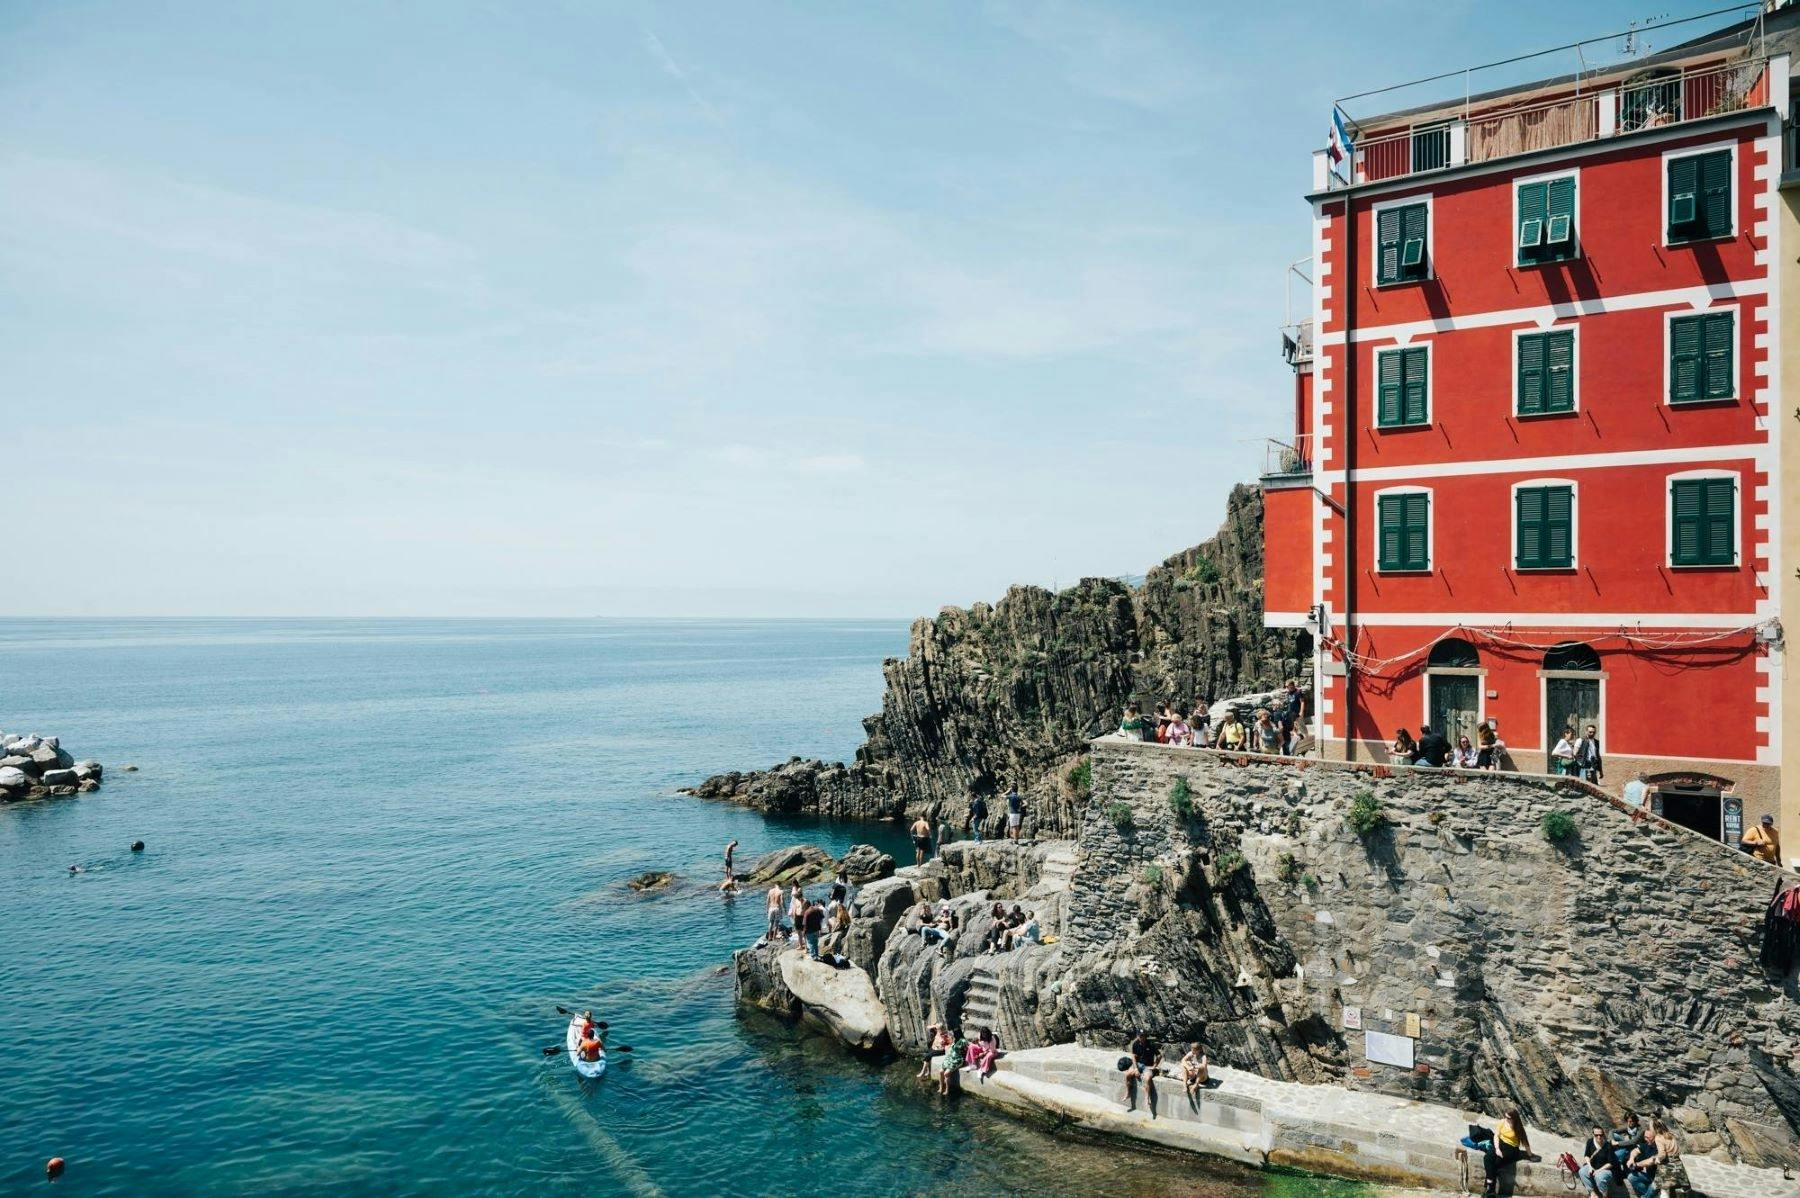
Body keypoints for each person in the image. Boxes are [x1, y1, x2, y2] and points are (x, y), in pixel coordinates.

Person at [1481, 1108, 1532, 1196]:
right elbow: (1496, 1135)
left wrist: (1530, 1155)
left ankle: (1489, 1189)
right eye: (1505, 1117)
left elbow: (1525, 1143)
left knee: (1496, 1163)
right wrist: (1497, 1149)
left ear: (1514, 1118)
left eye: (1508, 1118)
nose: (1506, 1119)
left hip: (1512, 1148)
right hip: (1500, 1144)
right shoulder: (1502, 1122)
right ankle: (1490, 1182)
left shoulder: (1518, 1128)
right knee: (1487, 1158)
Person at [1623, 1117, 1675, 1197]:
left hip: (1659, 1178)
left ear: (1655, 1137)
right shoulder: (1647, 1144)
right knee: (1631, 1177)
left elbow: (1651, 1161)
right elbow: (1635, 1150)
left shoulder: (1659, 1145)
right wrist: (1631, 1159)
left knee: (1653, 1187)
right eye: (1645, 1137)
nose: (1645, 1139)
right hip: (1649, 1176)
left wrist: (1636, 1164)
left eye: (1648, 1137)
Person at [1122, 1030, 1162, 1116]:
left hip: (1148, 1066)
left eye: (1142, 1036)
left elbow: (1159, 1055)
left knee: (1147, 1078)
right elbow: (1133, 1056)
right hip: (1139, 1065)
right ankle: (1128, 1092)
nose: (1141, 1038)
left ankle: (1147, 1097)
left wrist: (1155, 1066)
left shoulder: (1151, 1044)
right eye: (1139, 1036)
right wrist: (1136, 1069)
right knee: (1127, 1074)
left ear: (1145, 1036)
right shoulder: (1136, 1044)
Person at [1576, 1123, 1616, 1195]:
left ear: (1603, 1134)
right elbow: (1587, 1155)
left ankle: (1604, 1195)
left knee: (1599, 1177)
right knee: (1582, 1172)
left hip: (1605, 1169)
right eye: (1596, 1135)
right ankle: (1593, 1193)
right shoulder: (1590, 1141)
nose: (1599, 1137)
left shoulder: (1608, 1146)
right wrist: (1590, 1167)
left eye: (1601, 1135)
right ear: (1593, 1134)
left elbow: (1610, 1163)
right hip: (1593, 1166)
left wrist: (1598, 1171)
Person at [938, 1026, 970, 1094]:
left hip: (957, 1059)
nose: (949, 1036)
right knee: (941, 1071)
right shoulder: (952, 1039)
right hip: (950, 1058)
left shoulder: (962, 1041)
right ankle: (941, 1087)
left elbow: (968, 1046)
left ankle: (947, 1090)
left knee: (946, 1073)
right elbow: (946, 1043)